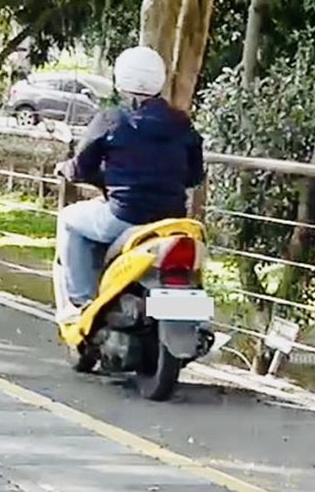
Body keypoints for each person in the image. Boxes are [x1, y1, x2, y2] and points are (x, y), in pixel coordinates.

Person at [54, 46, 203, 319]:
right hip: (171, 220)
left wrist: (64, 169)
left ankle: (82, 304)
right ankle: (193, 317)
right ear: (160, 78)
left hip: (124, 217)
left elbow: (82, 167)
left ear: (120, 77)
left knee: (68, 219)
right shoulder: (182, 122)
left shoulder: (112, 118)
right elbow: (194, 176)